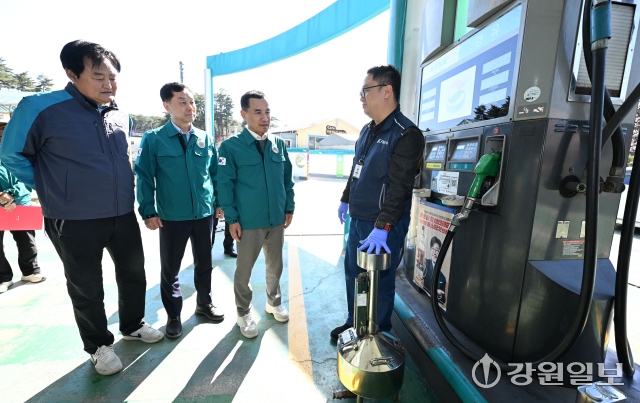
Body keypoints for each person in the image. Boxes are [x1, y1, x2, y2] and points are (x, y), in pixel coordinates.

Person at [0, 40, 163, 376]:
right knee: (86, 285)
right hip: (72, 217)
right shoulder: (39, 108)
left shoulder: (120, 114)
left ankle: (133, 325)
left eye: (113, 77)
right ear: (71, 74)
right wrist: (54, 188)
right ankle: (98, 345)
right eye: (98, 77)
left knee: (134, 273)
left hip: (121, 212)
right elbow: (12, 155)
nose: (109, 85)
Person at [332, 65, 425, 341]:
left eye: (366, 90)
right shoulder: (366, 130)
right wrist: (346, 200)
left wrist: (383, 226)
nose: (361, 97)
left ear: (387, 91)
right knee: (354, 274)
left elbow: (400, 188)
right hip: (358, 218)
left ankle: (379, 334)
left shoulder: (406, 134)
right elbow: (356, 168)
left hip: (383, 226)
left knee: (380, 282)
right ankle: (355, 323)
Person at [135, 82, 224, 339]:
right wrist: (148, 211)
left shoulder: (205, 137)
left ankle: (204, 303)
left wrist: (219, 203)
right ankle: (173, 315)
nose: (190, 107)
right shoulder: (153, 139)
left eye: (192, 102)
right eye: (182, 102)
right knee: (171, 269)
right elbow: (144, 177)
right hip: (172, 216)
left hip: (204, 214)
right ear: (167, 106)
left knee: (205, 263)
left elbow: (215, 174)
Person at [216, 91, 295, 339]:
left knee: (275, 265)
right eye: (258, 112)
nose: (265, 118)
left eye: (267, 112)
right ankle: (244, 312)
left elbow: (287, 180)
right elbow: (224, 185)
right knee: (244, 271)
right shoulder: (230, 147)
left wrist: (289, 207)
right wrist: (231, 218)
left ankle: (273, 302)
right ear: (244, 114)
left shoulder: (278, 144)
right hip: (248, 222)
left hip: (276, 219)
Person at [0, 160, 44, 293]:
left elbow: (27, 179)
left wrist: (11, 194)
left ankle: (30, 271)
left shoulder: (13, 155)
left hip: (20, 204)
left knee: (27, 240)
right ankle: (3, 278)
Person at [421, 236, 446, 304]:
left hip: (433, 303)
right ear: (430, 250)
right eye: (433, 249)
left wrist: (439, 295)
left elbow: (443, 300)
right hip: (423, 298)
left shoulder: (443, 278)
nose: (434, 253)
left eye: (437, 250)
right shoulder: (425, 262)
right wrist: (423, 271)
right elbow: (420, 277)